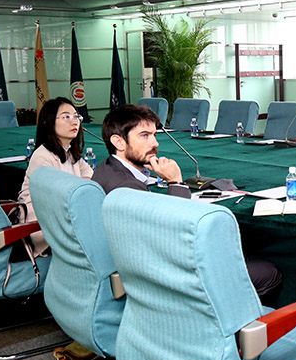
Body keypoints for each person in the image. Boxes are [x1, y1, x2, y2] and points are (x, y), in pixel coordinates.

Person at [93, 104, 282, 303]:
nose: (155, 143)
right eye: (144, 136)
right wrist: (175, 182)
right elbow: (175, 233)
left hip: (136, 266)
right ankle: (231, 320)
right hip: (166, 279)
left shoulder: (106, 168)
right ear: (118, 142)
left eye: (154, 135)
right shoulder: (127, 188)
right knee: (270, 273)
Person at [16, 97, 94, 257]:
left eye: (76, 116)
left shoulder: (70, 152)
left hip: (66, 217)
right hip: (42, 224)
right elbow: (57, 199)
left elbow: (90, 179)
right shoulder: (43, 156)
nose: (74, 122)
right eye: (66, 117)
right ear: (49, 122)